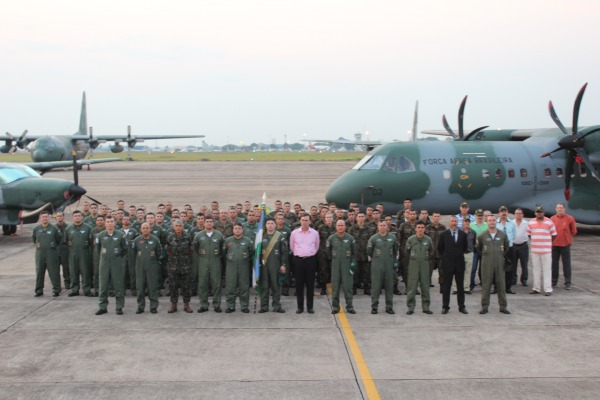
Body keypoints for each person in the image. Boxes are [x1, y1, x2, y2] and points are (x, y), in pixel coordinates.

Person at [477, 215, 510, 315]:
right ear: (487, 222)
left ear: (496, 222)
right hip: (486, 263)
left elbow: (506, 247)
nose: (492, 222)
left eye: (493, 220)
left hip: (499, 262)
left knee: (501, 284)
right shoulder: (482, 235)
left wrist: (500, 256)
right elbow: (479, 248)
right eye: (490, 220)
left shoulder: (502, 235)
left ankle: (503, 306)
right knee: (486, 285)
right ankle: (484, 306)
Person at [95, 216, 127, 315]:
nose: (109, 223)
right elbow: (98, 249)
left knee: (118, 285)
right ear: (105, 223)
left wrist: (116, 257)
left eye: (111, 221)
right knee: (103, 286)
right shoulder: (100, 235)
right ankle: (103, 307)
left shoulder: (121, 235)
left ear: (114, 223)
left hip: (116, 263)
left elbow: (125, 249)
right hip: (104, 263)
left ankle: (119, 307)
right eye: (108, 222)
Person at [438, 216, 468, 314]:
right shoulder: (443, 235)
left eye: (455, 221)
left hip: (459, 264)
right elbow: (440, 249)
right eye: (452, 221)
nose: (454, 223)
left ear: (458, 222)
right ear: (449, 223)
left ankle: (461, 306)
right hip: (447, 264)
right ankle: (445, 306)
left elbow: (465, 248)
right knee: (446, 286)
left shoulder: (463, 235)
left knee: (460, 286)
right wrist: (448, 256)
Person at [194, 216, 225, 313]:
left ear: (213, 223)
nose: (208, 223)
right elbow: (196, 248)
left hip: (215, 261)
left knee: (216, 284)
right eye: (207, 221)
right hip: (203, 262)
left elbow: (222, 248)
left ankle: (216, 305)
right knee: (203, 284)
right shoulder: (199, 235)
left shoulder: (219, 235)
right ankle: (204, 305)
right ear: (203, 223)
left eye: (210, 221)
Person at [290, 215, 319, 314]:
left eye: (306, 220)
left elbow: (316, 246)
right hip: (298, 261)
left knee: (310, 284)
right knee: (299, 284)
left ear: (310, 221)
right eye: (302, 220)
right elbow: (292, 246)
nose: (304, 222)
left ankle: (310, 307)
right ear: (300, 221)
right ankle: (300, 307)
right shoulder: (294, 233)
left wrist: (309, 254)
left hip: (310, 260)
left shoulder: (315, 233)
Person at [367, 220, 399, 314]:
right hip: (377, 266)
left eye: (384, 225)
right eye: (380, 225)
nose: (382, 227)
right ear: (378, 227)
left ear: (387, 226)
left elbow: (395, 251)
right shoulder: (373, 238)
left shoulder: (392, 238)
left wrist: (394, 262)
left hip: (389, 266)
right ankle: (374, 307)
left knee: (389, 287)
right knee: (375, 287)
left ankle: (389, 307)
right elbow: (369, 251)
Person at [327, 220, 357, 314]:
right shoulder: (331, 238)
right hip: (335, 266)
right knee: (335, 287)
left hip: (346, 266)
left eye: (342, 225)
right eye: (338, 225)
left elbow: (354, 252)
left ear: (345, 227)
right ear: (336, 227)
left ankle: (349, 306)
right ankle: (335, 307)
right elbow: (328, 252)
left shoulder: (350, 238)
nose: (340, 227)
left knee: (348, 287)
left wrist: (352, 264)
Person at [258, 218, 288, 313]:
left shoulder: (280, 236)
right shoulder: (261, 236)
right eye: (268, 223)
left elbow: (284, 252)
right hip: (263, 265)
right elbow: (256, 252)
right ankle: (264, 306)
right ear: (265, 225)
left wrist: (283, 264)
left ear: (275, 225)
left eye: (272, 223)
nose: (270, 225)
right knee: (264, 286)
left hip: (276, 264)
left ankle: (277, 306)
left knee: (276, 286)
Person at [222, 223, 254, 313]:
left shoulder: (248, 241)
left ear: (242, 230)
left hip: (244, 267)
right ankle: (230, 306)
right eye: (235, 228)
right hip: (231, 267)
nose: (237, 230)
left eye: (239, 228)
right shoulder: (228, 241)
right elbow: (224, 253)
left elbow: (251, 252)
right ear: (233, 230)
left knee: (244, 287)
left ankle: (244, 306)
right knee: (230, 287)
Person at [165, 219, 194, 313]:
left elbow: (191, 250)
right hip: (173, 267)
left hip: (185, 266)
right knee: (173, 287)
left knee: (186, 286)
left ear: (183, 226)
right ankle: (174, 305)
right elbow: (168, 251)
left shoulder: (188, 237)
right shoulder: (170, 238)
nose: (178, 227)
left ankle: (186, 305)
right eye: (176, 226)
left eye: (180, 226)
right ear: (173, 227)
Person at [132, 222, 162, 313]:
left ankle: (153, 306)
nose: (145, 230)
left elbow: (159, 253)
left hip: (152, 267)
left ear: (150, 229)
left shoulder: (155, 240)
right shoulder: (136, 240)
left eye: (147, 228)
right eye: (143, 228)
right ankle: (140, 307)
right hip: (140, 267)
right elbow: (133, 253)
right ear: (141, 229)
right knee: (140, 287)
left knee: (152, 287)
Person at [405, 221, 434, 315]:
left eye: (422, 227)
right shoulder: (411, 239)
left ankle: (426, 307)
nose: (420, 229)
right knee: (412, 287)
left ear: (424, 229)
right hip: (414, 265)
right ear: (415, 229)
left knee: (425, 287)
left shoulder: (428, 240)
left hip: (425, 265)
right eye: (419, 227)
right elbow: (407, 252)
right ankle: (411, 307)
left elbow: (431, 251)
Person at [32, 211, 62, 297]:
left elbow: (58, 239)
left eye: (46, 217)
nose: (44, 218)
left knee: (54, 272)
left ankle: (56, 290)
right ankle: (39, 290)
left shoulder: (54, 228)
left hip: (51, 254)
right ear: (40, 218)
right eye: (43, 217)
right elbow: (34, 240)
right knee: (39, 272)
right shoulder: (36, 229)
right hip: (40, 254)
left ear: (48, 218)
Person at [527, 206, 556, 296]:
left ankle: (548, 289)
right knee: (536, 269)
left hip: (546, 250)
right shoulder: (531, 222)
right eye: (537, 212)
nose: (539, 213)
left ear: (543, 213)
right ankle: (536, 288)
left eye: (540, 212)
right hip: (535, 250)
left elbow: (554, 235)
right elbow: (529, 234)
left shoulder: (549, 222)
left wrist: (546, 243)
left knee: (547, 269)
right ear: (535, 213)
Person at [65, 210, 93, 297]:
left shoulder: (88, 228)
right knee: (73, 272)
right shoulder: (68, 229)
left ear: (82, 217)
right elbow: (66, 241)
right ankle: (74, 290)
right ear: (73, 217)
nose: (77, 217)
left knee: (85, 272)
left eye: (79, 216)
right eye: (75, 216)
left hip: (84, 254)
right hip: (73, 254)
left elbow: (91, 241)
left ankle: (87, 290)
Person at [551, 203, 577, 289]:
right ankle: (554, 282)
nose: (559, 209)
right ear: (556, 209)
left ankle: (567, 283)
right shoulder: (552, 219)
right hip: (554, 245)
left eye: (561, 208)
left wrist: (566, 238)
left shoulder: (570, 219)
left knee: (566, 264)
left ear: (564, 209)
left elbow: (574, 231)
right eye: (558, 208)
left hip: (565, 245)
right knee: (554, 264)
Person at [349, 212, 374, 295]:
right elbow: (349, 241)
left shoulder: (369, 229)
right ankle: (354, 288)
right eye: (359, 216)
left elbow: (371, 242)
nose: (360, 218)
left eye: (362, 216)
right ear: (356, 218)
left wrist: (370, 254)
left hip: (365, 254)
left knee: (366, 272)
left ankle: (366, 288)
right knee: (355, 272)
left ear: (365, 218)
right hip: (355, 255)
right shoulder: (352, 229)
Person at [425, 212, 446, 292]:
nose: (436, 218)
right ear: (432, 217)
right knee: (428, 272)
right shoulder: (428, 227)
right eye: (435, 216)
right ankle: (426, 287)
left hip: (440, 254)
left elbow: (445, 240)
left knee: (442, 272)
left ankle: (442, 287)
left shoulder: (443, 228)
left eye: (438, 216)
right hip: (431, 254)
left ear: (439, 218)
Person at [316, 212, 334, 295]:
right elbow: (317, 240)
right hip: (323, 253)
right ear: (325, 219)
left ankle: (330, 287)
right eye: (327, 217)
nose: (329, 219)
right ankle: (323, 288)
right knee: (323, 270)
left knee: (332, 270)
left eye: (330, 217)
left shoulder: (336, 228)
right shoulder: (321, 228)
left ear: (333, 218)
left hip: (333, 253)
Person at [512, 208, 529, 286]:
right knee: (513, 264)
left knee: (524, 264)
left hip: (523, 245)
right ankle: (513, 279)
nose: (518, 215)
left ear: (523, 215)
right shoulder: (511, 223)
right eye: (517, 213)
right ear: (514, 215)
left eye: (520, 213)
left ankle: (524, 279)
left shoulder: (526, 223)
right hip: (513, 245)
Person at [54, 211, 70, 290]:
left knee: (66, 269)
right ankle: (57, 285)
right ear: (56, 217)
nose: (59, 217)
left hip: (65, 251)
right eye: (58, 216)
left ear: (63, 217)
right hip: (56, 252)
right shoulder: (53, 228)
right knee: (55, 270)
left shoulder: (68, 228)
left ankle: (67, 283)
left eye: (61, 216)